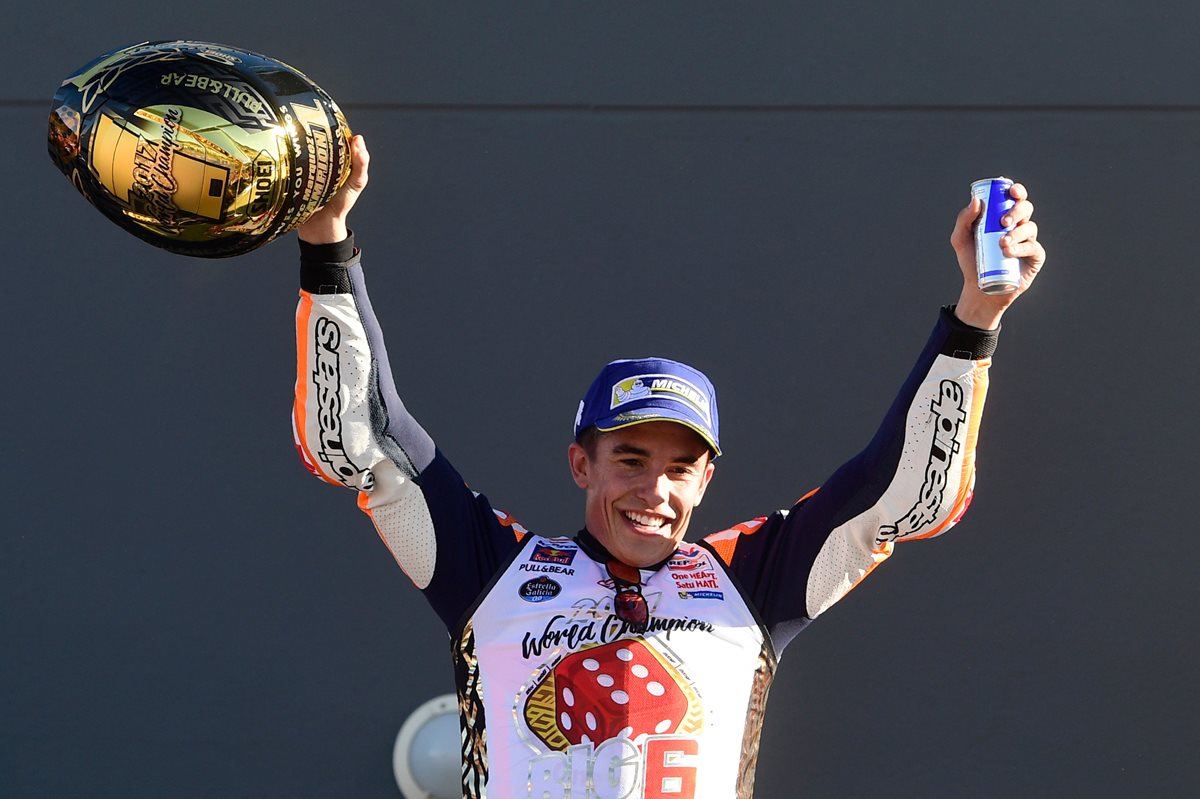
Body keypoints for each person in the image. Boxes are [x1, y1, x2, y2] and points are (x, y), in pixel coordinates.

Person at [291, 135, 1045, 799]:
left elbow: (901, 495)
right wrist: (329, 245)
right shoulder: (491, 569)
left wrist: (977, 317)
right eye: (629, 458)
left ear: (706, 479)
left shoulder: (751, 579)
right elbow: (367, 442)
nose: (655, 489)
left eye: (682, 466)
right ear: (580, 463)